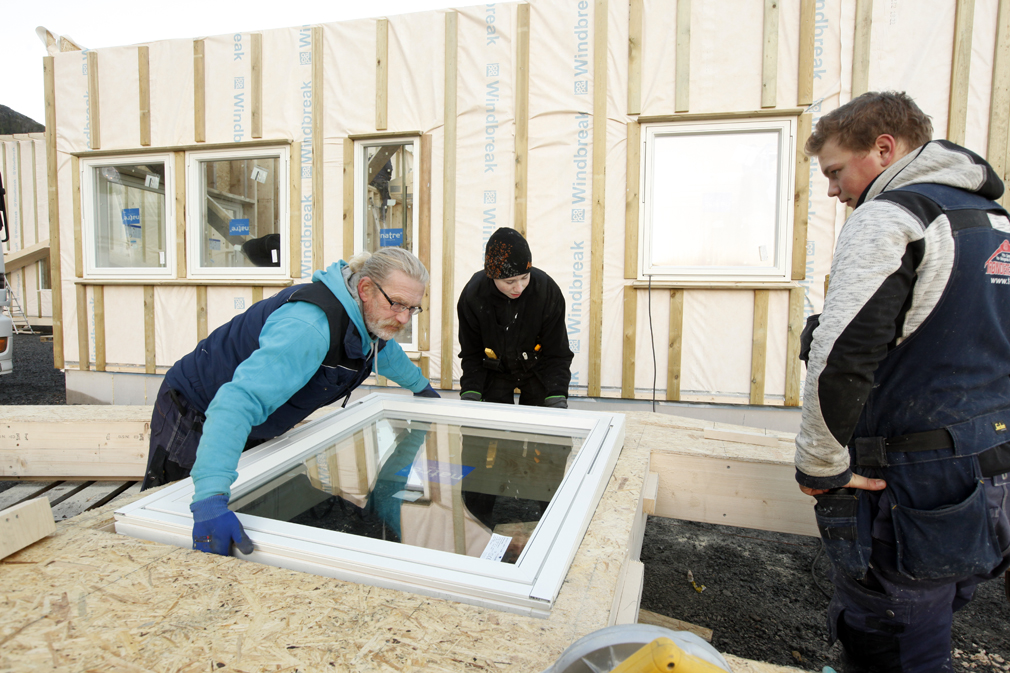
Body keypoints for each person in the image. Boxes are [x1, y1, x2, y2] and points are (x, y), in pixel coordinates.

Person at [795, 91, 1010, 672]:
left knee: (891, 639)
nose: (834, 190)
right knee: (935, 614)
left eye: (835, 171)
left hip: (909, 480)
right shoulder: (994, 223)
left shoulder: (891, 217)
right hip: (988, 469)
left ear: (883, 149)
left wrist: (819, 466)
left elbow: (841, 357)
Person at [141, 247, 440, 556]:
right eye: (397, 303)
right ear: (365, 289)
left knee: (252, 512)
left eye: (413, 308)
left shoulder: (370, 320)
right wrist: (209, 499)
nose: (403, 318)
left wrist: (422, 389)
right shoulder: (310, 327)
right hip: (196, 412)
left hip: (256, 421)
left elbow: (385, 354)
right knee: (175, 522)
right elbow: (237, 403)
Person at [456, 226, 573, 407]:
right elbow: (472, 353)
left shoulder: (546, 291)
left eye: (525, 277)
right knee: (489, 423)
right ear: (492, 275)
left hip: (538, 369)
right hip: (494, 370)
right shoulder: (474, 295)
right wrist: (471, 392)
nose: (519, 288)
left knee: (543, 422)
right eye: (509, 281)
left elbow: (557, 351)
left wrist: (556, 395)